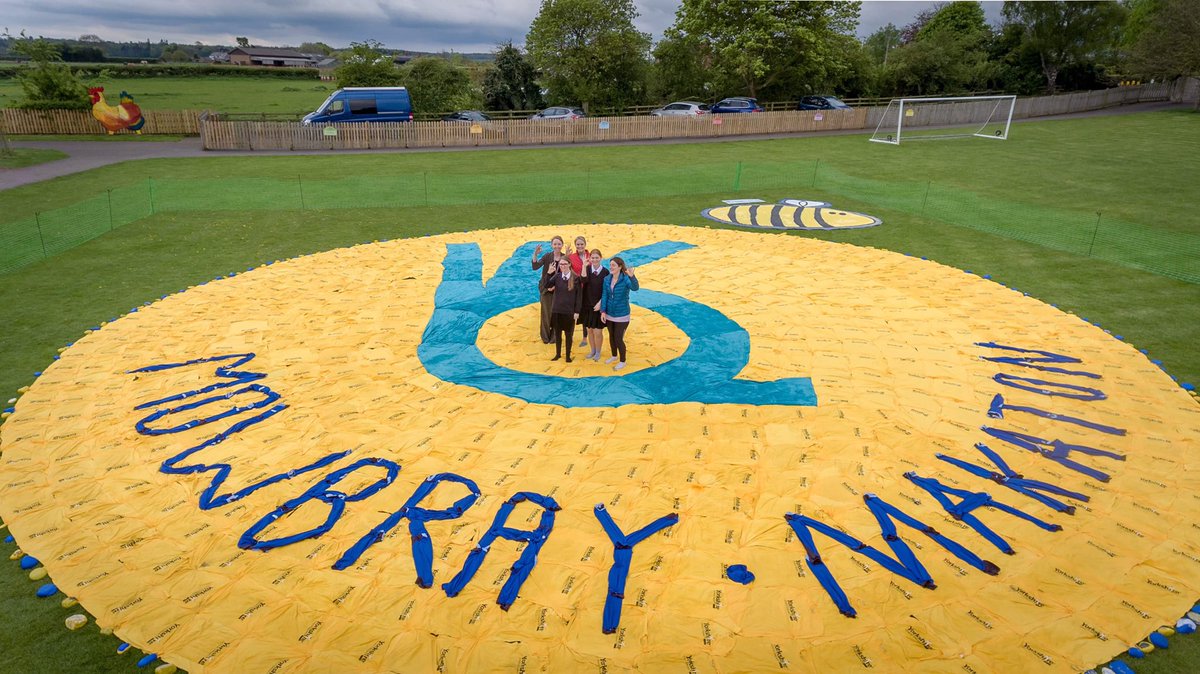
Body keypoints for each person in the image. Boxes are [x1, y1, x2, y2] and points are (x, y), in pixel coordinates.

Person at [600, 256, 638, 371]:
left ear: (620, 267)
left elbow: (635, 288)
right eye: (610, 265)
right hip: (610, 313)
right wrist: (603, 311)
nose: (611, 267)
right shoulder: (607, 279)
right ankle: (614, 356)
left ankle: (622, 361)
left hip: (622, 314)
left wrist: (632, 277)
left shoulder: (625, 278)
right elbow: (605, 295)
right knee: (611, 336)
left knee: (618, 338)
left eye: (613, 265)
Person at [543, 257, 582, 362]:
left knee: (568, 335)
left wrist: (577, 311)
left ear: (569, 264)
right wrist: (549, 273)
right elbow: (547, 285)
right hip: (557, 310)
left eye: (565, 264)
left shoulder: (576, 278)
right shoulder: (557, 276)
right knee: (558, 334)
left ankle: (568, 356)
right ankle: (558, 354)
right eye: (561, 264)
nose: (563, 266)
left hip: (569, 311)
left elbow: (579, 297)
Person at [531, 236, 564, 344]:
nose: (557, 246)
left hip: (559, 290)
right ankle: (545, 337)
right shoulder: (547, 256)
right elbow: (535, 266)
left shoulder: (564, 257)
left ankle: (554, 337)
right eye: (555, 244)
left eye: (559, 244)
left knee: (557, 314)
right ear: (551, 245)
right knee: (546, 313)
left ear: (562, 245)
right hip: (546, 289)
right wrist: (535, 254)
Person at [579, 249, 609, 361]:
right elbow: (583, 280)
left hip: (599, 305)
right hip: (587, 305)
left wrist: (601, 303)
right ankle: (592, 350)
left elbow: (607, 290)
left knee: (598, 331)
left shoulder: (605, 272)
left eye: (597, 257)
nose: (595, 260)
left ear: (601, 258)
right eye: (593, 258)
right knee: (590, 330)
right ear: (589, 258)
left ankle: (598, 351)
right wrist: (583, 266)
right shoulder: (586, 269)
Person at [568, 236, 589, 348]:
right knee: (573, 312)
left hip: (587, 288)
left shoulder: (590, 256)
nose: (580, 246)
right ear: (575, 246)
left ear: (585, 244)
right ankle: (569, 335)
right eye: (578, 244)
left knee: (585, 312)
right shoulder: (571, 257)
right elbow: (566, 268)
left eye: (582, 244)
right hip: (576, 288)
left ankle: (585, 337)